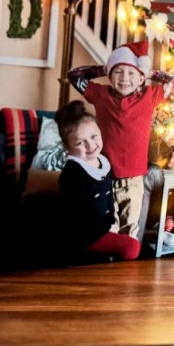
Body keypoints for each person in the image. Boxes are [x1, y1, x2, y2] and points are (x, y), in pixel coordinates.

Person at [68, 40, 174, 241]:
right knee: (108, 229)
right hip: (105, 177)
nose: (124, 78)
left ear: (140, 79)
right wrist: (105, 68)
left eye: (131, 73)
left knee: (129, 231)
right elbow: (74, 76)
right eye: (118, 72)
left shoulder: (150, 96)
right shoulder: (100, 95)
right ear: (110, 76)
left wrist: (149, 73)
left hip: (134, 180)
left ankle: (126, 269)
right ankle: (108, 267)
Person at [55, 101, 141, 261]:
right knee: (131, 247)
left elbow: (109, 197)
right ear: (68, 148)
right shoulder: (72, 174)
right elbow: (72, 218)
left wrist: (111, 225)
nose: (90, 145)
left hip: (104, 228)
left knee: (132, 244)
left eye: (94, 136)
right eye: (80, 142)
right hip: (83, 236)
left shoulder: (103, 161)